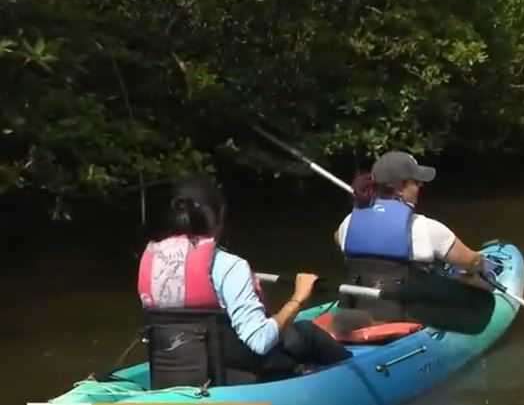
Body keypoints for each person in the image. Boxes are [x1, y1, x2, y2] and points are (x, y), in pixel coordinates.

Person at [137, 176, 350, 388]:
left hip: (175, 375)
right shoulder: (229, 265)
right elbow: (260, 340)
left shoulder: (152, 259)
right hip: (231, 378)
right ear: (219, 216)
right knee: (306, 332)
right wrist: (298, 298)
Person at [333, 151, 486, 324]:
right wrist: (473, 272)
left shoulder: (349, 222)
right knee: (472, 286)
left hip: (358, 307)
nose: (420, 186)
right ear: (399, 187)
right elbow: (471, 260)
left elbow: (338, 238)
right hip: (404, 315)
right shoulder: (425, 228)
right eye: (416, 182)